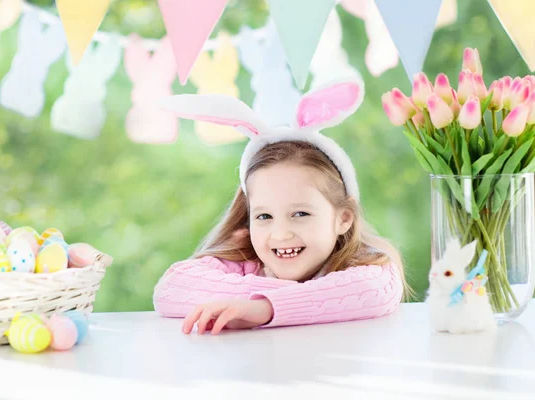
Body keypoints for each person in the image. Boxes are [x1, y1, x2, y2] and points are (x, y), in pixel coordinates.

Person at [153, 74, 406, 335]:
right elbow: (172, 287)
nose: (281, 233)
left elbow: (375, 290)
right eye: (264, 217)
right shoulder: (245, 259)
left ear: (343, 219)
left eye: (300, 213)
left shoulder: (360, 267)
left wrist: (264, 308)